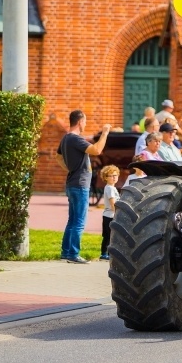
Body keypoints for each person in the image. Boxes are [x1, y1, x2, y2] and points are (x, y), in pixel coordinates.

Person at [55, 110, 111, 264]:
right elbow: (97, 150)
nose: (85, 124)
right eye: (85, 121)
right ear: (80, 122)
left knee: (72, 220)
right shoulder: (74, 139)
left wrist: (70, 168)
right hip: (80, 185)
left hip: (73, 182)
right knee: (79, 221)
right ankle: (73, 254)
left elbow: (58, 156)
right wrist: (105, 133)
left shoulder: (66, 138)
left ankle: (66, 252)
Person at [98, 165, 120, 261]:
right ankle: (104, 253)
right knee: (109, 235)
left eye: (115, 175)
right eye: (111, 176)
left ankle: (107, 253)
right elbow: (112, 203)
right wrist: (117, 215)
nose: (114, 177)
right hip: (110, 215)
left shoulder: (112, 188)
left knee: (109, 235)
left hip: (109, 215)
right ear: (105, 178)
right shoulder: (110, 188)